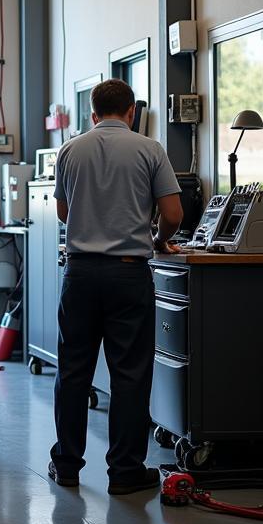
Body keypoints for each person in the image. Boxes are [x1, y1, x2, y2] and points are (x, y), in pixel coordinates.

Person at [47, 78, 182, 496]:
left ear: (92, 113)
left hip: (81, 273)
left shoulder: (70, 150)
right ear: (131, 112)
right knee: (129, 374)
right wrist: (158, 238)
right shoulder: (149, 149)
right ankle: (124, 471)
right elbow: (173, 213)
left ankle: (67, 465)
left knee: (73, 371)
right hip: (128, 273)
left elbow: (64, 213)